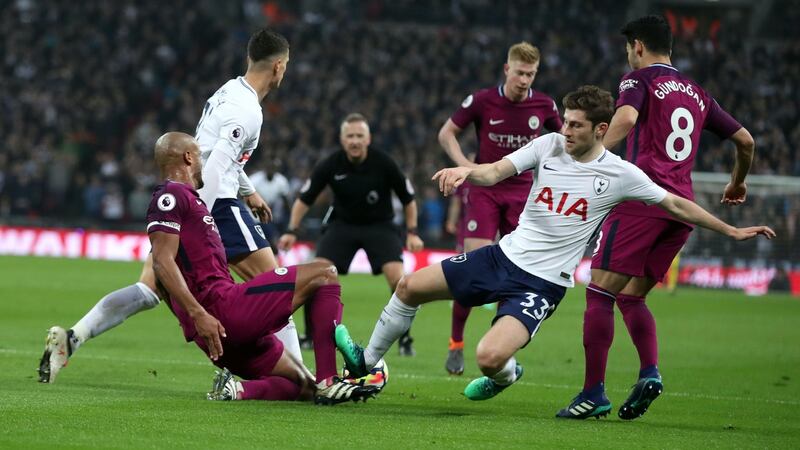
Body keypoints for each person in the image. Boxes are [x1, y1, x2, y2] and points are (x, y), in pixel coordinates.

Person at [332, 86, 773, 407]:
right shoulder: (547, 145)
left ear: (602, 129)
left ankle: (507, 374)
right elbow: (496, 171)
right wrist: (466, 171)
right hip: (501, 256)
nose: (565, 130)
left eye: (576, 125)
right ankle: (368, 367)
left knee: (487, 358)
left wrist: (732, 232)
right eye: (565, 120)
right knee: (408, 287)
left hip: (541, 286)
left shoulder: (619, 174)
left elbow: (677, 203)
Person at [38, 28, 302, 383]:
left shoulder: (227, 91)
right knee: (277, 290)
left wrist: (249, 190)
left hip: (189, 201)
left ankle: (72, 337)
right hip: (214, 206)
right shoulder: (248, 112)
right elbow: (218, 166)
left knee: (149, 289)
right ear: (280, 66)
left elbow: (210, 152)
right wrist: (201, 220)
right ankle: (300, 381)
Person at [557, 15, 757, 420]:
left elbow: (627, 119)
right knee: (632, 296)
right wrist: (737, 182)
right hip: (681, 208)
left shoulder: (639, 80)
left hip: (641, 199)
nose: (628, 55)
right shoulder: (698, 92)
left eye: (628, 48)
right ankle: (649, 372)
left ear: (639, 47)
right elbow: (745, 140)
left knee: (599, 293)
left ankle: (592, 393)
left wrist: (589, 160)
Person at [146, 131, 376, 404]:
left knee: (303, 387)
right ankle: (329, 379)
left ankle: (239, 391)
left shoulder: (193, 201)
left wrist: (194, 326)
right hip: (223, 309)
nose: (202, 164)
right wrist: (199, 314)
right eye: (199, 157)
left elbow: (163, 280)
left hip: (217, 332)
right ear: (188, 157)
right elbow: (161, 263)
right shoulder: (172, 195)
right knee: (325, 274)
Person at [437, 41, 563, 374]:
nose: (525, 80)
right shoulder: (482, 101)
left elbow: (568, 143)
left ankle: (502, 343)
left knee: (521, 272)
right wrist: (465, 165)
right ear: (507, 69)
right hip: (484, 191)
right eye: (520, 72)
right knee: (472, 268)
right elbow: (447, 133)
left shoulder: (545, 105)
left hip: (524, 194)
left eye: (531, 74)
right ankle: (456, 343)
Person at [278, 113, 424, 356]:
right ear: (342, 140)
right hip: (342, 225)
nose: (355, 141)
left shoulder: (384, 162)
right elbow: (305, 199)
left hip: (380, 225)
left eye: (359, 136)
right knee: (316, 272)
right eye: (350, 136)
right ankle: (308, 335)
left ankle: (405, 340)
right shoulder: (330, 164)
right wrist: (292, 230)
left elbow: (408, 200)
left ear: (368, 139)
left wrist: (412, 232)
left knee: (398, 279)